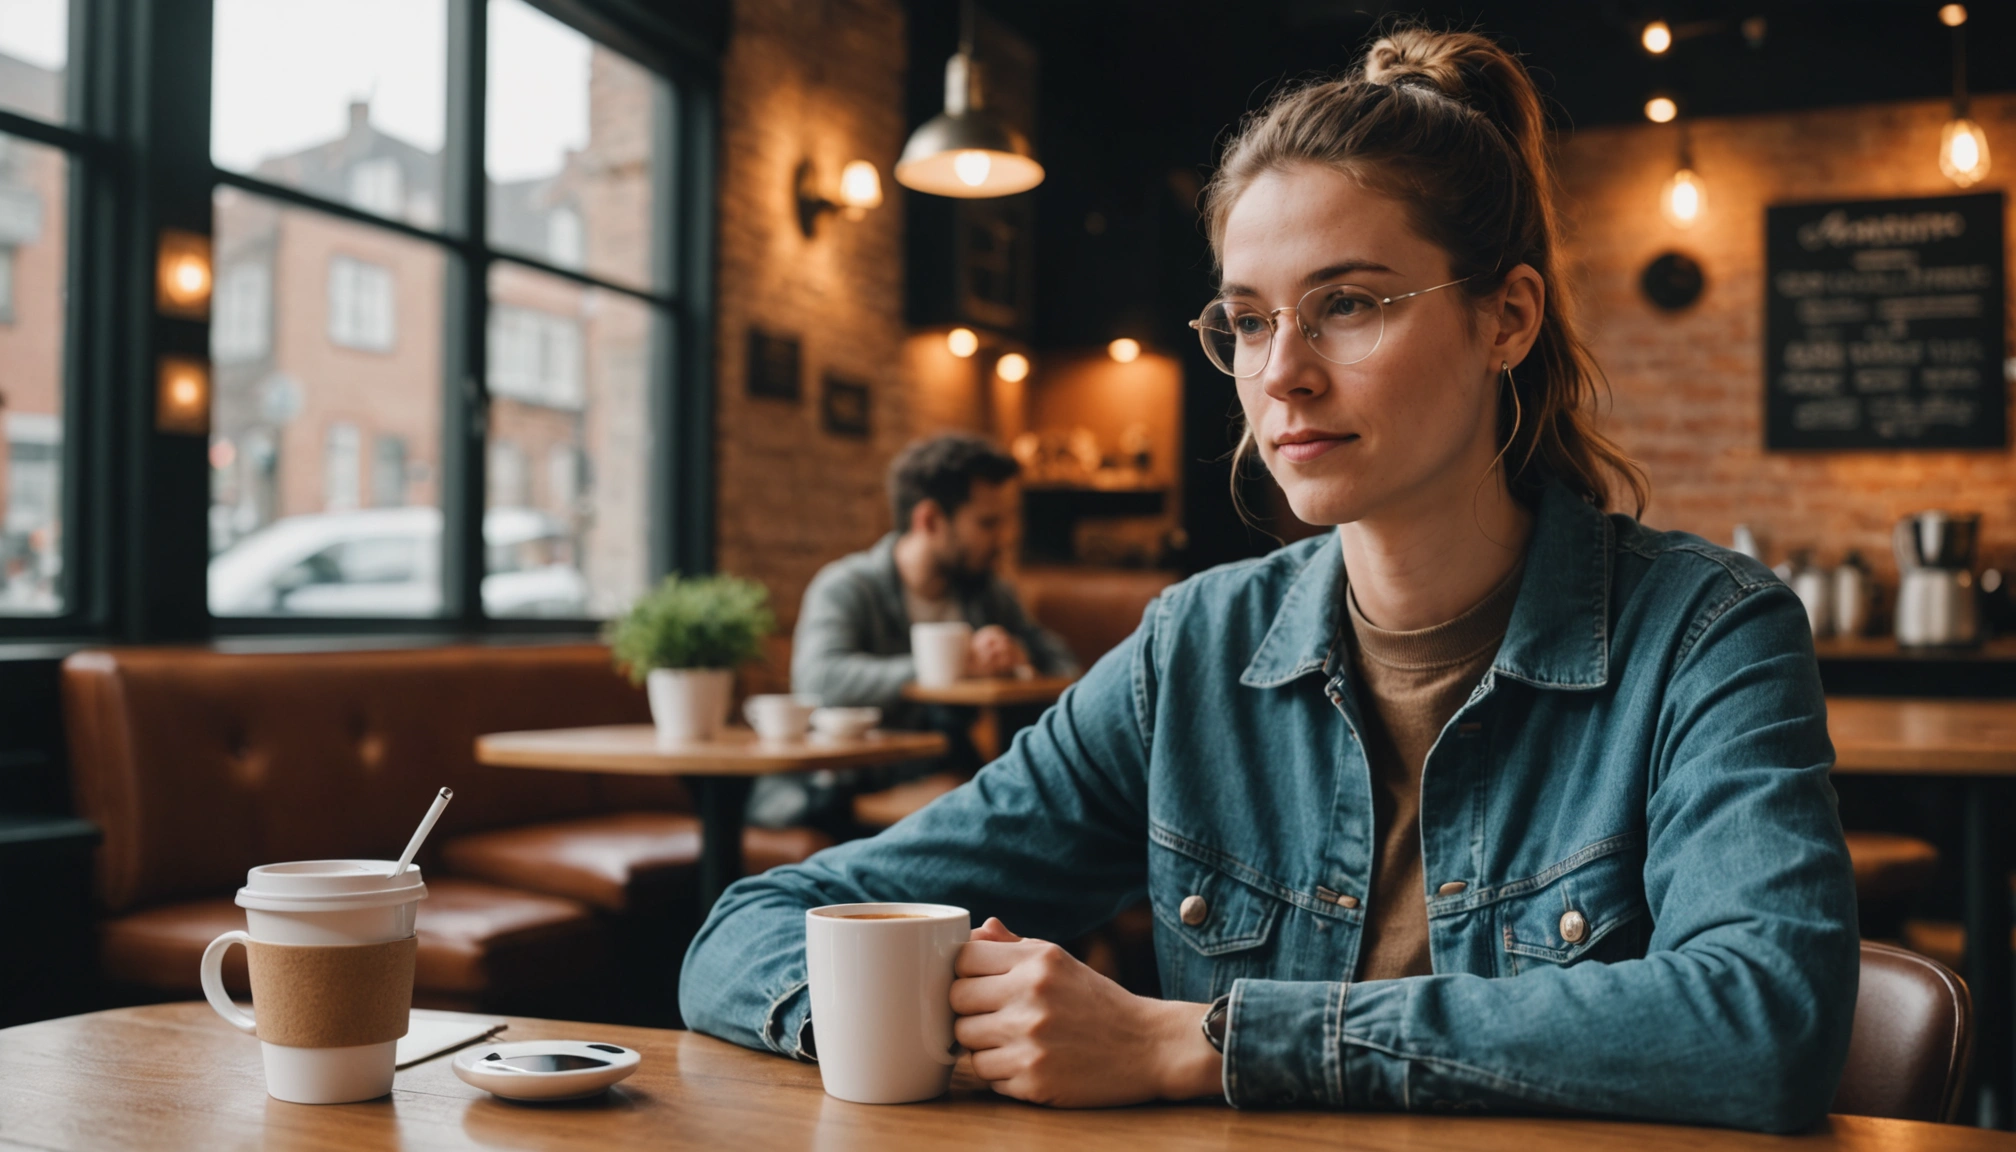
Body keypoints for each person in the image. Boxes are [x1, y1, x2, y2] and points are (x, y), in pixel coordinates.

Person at [685, 26, 1855, 1132]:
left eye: (1347, 305)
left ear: (1508, 318)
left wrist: (1199, 1042)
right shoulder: (1190, 652)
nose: (1283, 373)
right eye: (1248, 321)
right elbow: (749, 932)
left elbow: (1765, 1019)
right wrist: (956, 1027)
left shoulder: (1710, 633)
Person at [745, 434, 1080, 829]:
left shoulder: (986, 592)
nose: (1003, 538)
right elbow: (818, 678)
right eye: (987, 523)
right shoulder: (848, 586)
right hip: (847, 785)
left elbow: (1067, 669)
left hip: (942, 779)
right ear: (930, 521)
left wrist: (1020, 655)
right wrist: (945, 669)